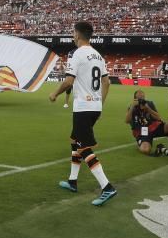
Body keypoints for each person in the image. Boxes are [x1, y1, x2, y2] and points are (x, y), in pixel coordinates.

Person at [49, 21, 117, 206]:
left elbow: (69, 81)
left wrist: (54, 93)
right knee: (75, 141)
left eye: (73, 32)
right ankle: (72, 181)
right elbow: (107, 83)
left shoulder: (77, 54)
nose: (72, 35)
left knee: (84, 147)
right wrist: (100, 104)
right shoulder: (98, 56)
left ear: (77, 35)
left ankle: (107, 187)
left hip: (83, 107)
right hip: (94, 107)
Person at [125, 89, 168, 156]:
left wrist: (148, 109)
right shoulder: (132, 108)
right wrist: (132, 107)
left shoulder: (149, 104)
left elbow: (158, 118)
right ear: (135, 99)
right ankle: (160, 148)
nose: (141, 100)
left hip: (153, 127)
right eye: (139, 99)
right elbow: (127, 121)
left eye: (143, 98)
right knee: (145, 150)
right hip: (141, 132)